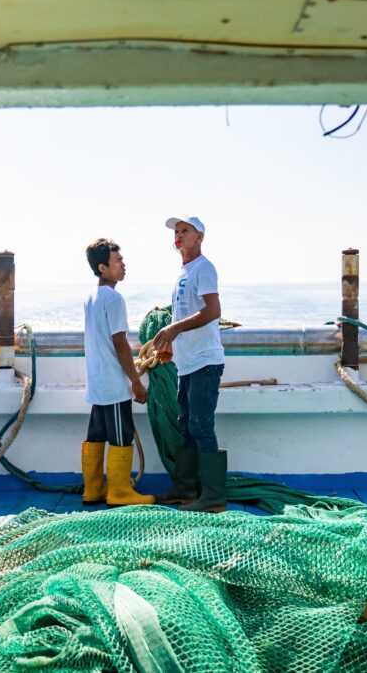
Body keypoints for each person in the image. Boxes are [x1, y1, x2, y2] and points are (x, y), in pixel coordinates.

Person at [152, 217, 228, 513]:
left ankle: (213, 497)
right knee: (186, 425)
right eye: (177, 231)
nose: (179, 235)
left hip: (205, 361)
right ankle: (185, 488)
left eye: (186, 231)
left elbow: (213, 310)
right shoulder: (184, 271)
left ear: (200, 237)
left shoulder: (204, 268)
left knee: (201, 426)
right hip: (187, 363)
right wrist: (171, 342)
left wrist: (173, 331)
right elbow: (181, 313)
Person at [81, 238, 153, 507]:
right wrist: (136, 382)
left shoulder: (91, 297)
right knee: (121, 435)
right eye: (117, 261)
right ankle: (120, 492)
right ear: (102, 267)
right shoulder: (113, 298)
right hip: (113, 384)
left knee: (96, 435)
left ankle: (93, 490)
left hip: (97, 382)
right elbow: (120, 343)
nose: (123, 265)